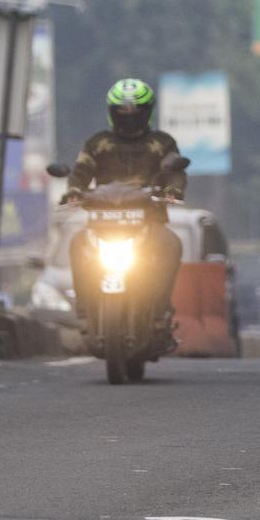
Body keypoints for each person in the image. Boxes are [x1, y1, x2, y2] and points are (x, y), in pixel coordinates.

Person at [64, 79, 185, 349]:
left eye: (135, 111)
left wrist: (173, 191)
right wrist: (73, 191)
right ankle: (84, 311)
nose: (129, 116)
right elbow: (80, 171)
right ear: (112, 112)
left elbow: (175, 171)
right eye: (122, 111)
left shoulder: (163, 143)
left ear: (148, 111)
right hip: (103, 225)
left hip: (149, 221)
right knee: (77, 244)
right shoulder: (98, 143)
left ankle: (159, 311)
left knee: (172, 243)